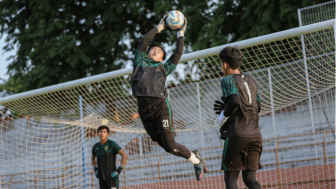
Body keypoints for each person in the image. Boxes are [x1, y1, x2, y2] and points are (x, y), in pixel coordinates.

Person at [131, 12, 207, 181]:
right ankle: (195, 157)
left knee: (171, 144)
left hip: (160, 109)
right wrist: (160, 26)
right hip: (144, 112)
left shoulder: (164, 68)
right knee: (167, 148)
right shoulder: (139, 62)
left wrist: (181, 33)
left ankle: (196, 162)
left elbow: (179, 53)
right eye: (153, 49)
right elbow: (145, 40)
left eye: (158, 51)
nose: (155, 50)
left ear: (162, 58)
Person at [214, 46, 263, 189]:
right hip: (255, 134)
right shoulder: (251, 80)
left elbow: (235, 100)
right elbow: (258, 106)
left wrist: (222, 117)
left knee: (231, 179)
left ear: (225, 64)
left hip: (237, 135)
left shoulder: (227, 79)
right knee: (250, 179)